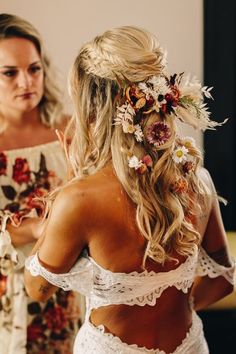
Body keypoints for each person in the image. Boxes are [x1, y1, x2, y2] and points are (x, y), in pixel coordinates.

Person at [24, 26, 235, 354]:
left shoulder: (78, 200)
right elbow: (223, 280)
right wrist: (167, 304)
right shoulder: (197, 179)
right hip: (189, 346)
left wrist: (69, 183)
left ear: (93, 105)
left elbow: (37, 288)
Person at [0, 14, 81, 354]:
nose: (25, 82)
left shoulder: (69, 131)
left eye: (34, 69)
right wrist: (32, 229)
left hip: (66, 286)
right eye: (9, 73)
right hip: (7, 297)